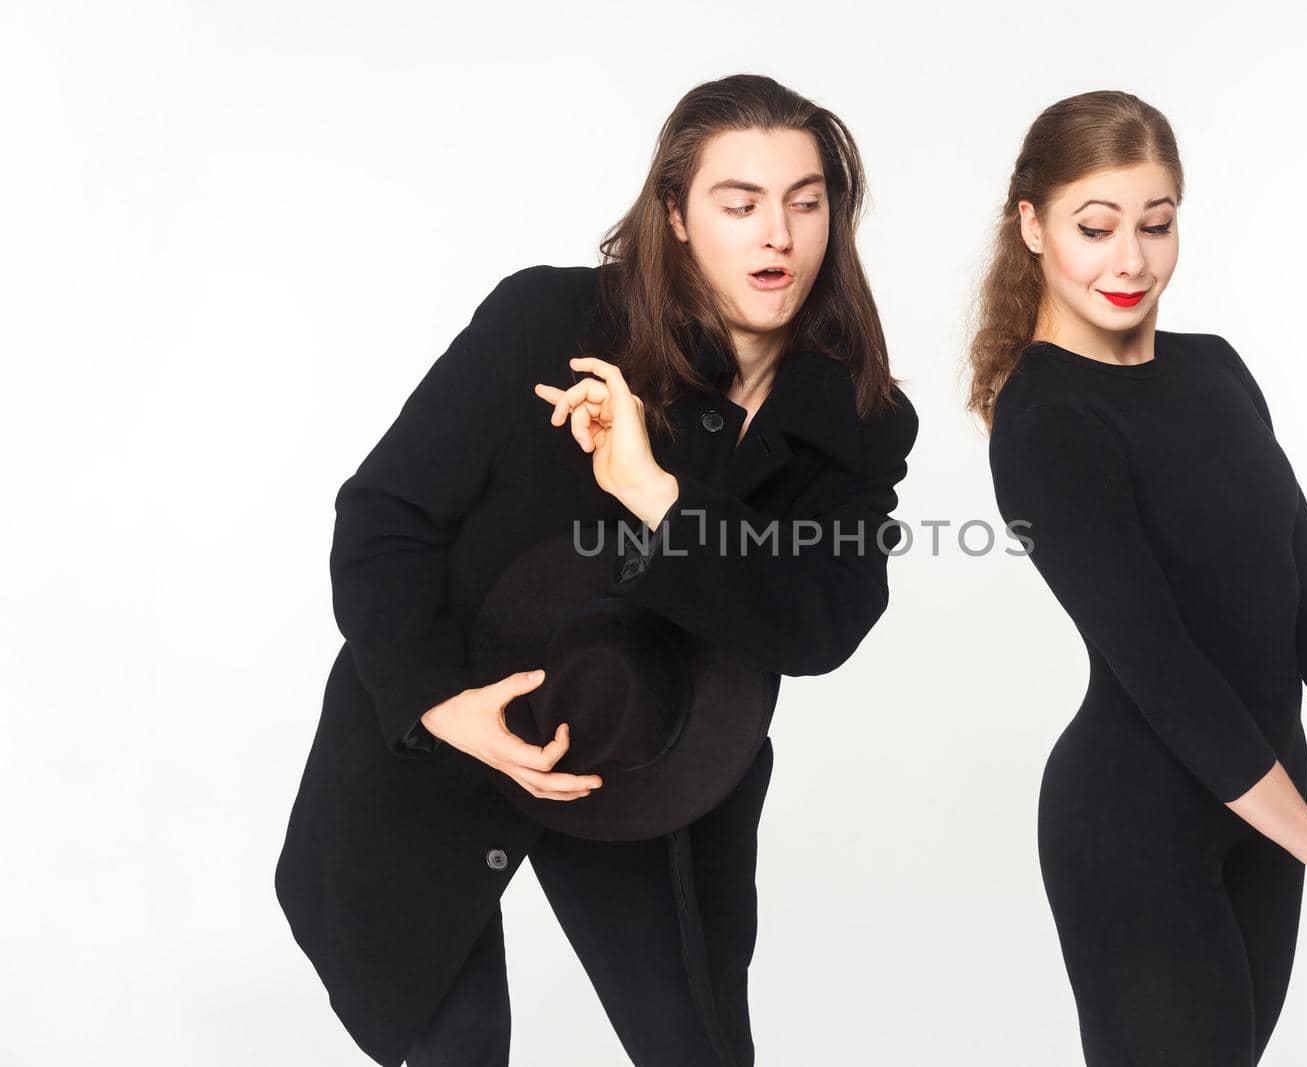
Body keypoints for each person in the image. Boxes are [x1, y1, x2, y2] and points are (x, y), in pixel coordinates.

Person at [275, 73, 917, 1067]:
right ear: (676, 213)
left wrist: (656, 492)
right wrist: (438, 701)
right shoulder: (549, 320)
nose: (777, 235)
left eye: (804, 201)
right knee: (454, 1038)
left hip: (660, 762)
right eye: (739, 204)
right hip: (440, 740)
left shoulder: (855, 418)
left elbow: (821, 620)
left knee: (695, 1043)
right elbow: (383, 518)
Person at [970, 90, 1307, 1066]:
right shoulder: (1043, 419)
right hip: (1135, 824)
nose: (1131, 260)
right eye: (1095, 226)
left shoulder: (1214, 369)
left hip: (1262, 809)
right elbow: (1160, 663)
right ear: (1031, 225)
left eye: (1155, 224)